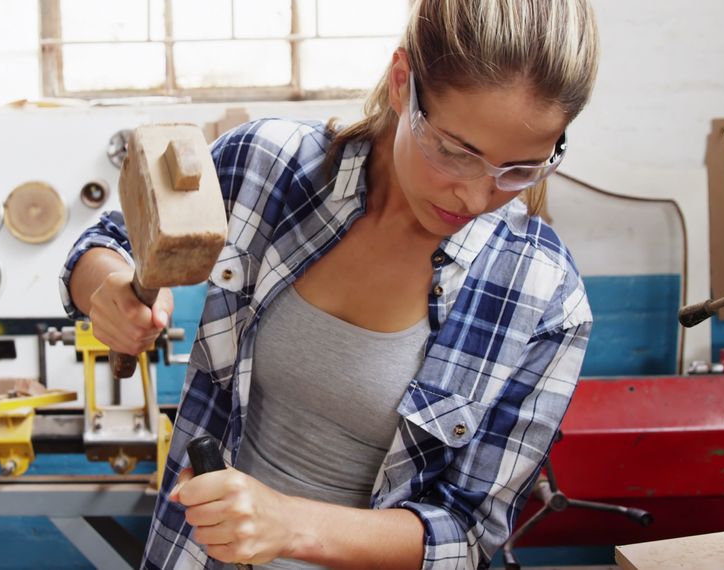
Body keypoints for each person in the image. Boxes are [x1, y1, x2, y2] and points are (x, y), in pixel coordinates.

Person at [60, 0, 600, 567]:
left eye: (519, 169)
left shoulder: (544, 298)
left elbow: (467, 536)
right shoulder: (268, 166)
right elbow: (109, 242)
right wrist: (114, 287)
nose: (475, 195)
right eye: (454, 151)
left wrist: (291, 525)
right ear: (402, 83)